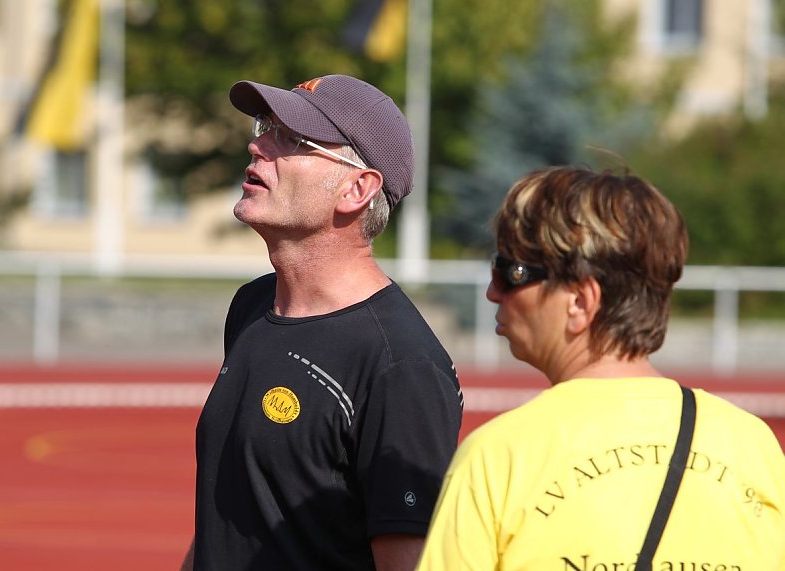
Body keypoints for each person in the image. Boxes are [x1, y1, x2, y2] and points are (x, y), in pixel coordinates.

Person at [417, 166, 785, 570]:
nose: (492, 292)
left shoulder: (498, 458)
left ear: (580, 301)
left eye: (512, 273)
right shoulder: (754, 446)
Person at [180, 74, 463, 571]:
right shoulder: (252, 306)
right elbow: (234, 516)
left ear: (357, 188)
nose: (256, 143)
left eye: (290, 138)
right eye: (265, 125)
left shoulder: (401, 365)